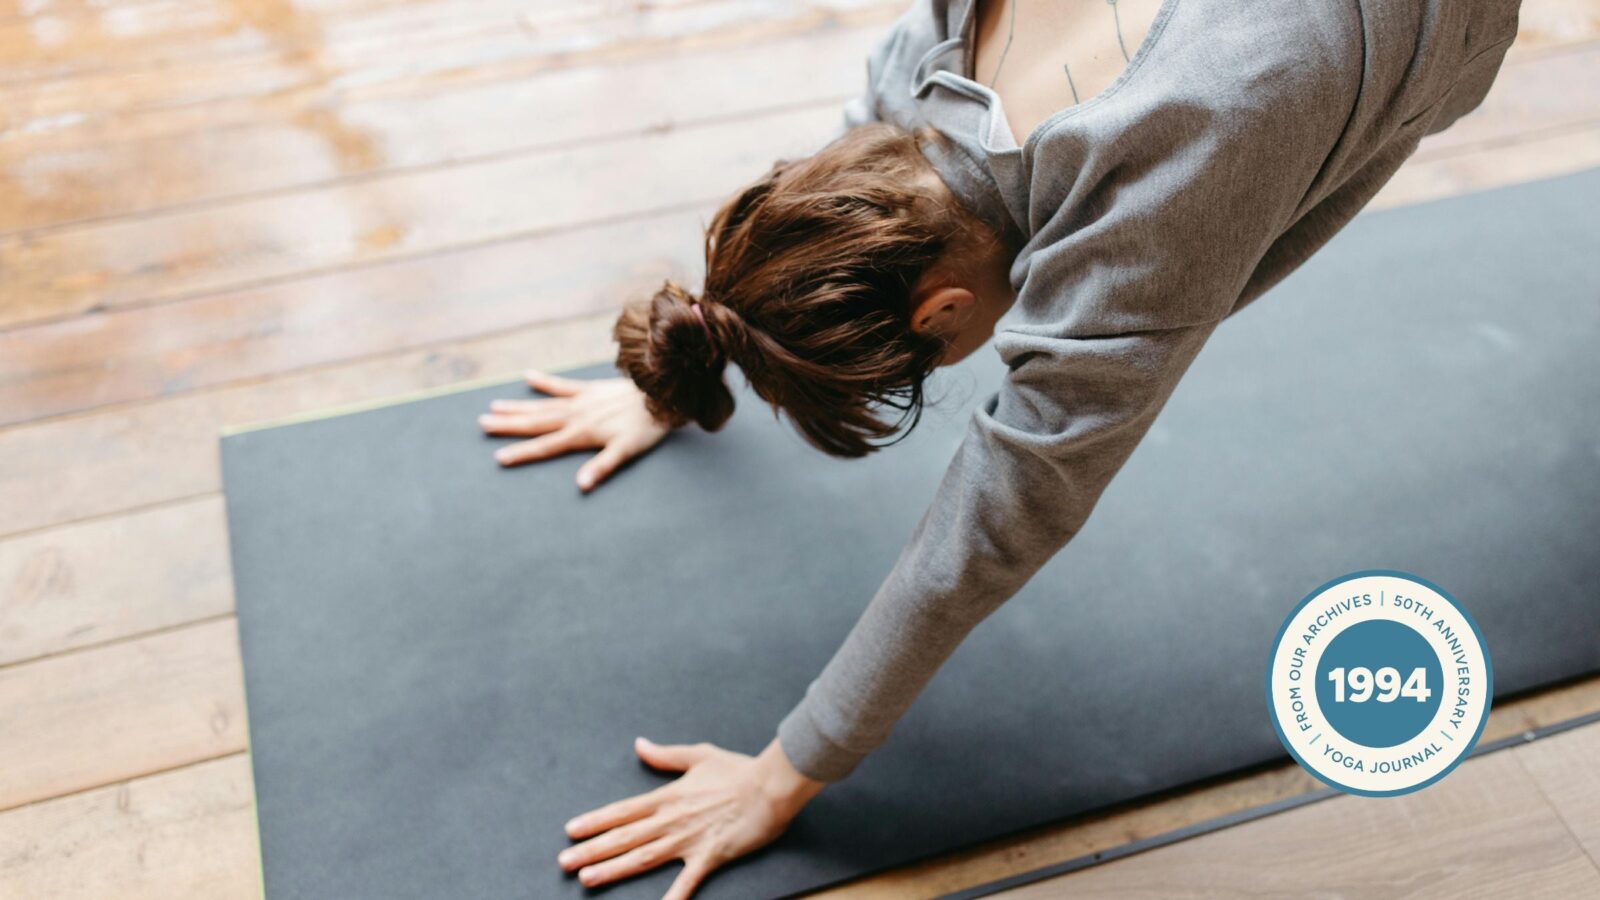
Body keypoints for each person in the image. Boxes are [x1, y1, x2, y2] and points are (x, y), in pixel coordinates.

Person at [477, 0, 1520, 895]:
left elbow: (1003, 511)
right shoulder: (952, 41)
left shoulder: (1168, 162)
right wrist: (686, 368)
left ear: (940, 313)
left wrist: (784, 772)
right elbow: (862, 160)